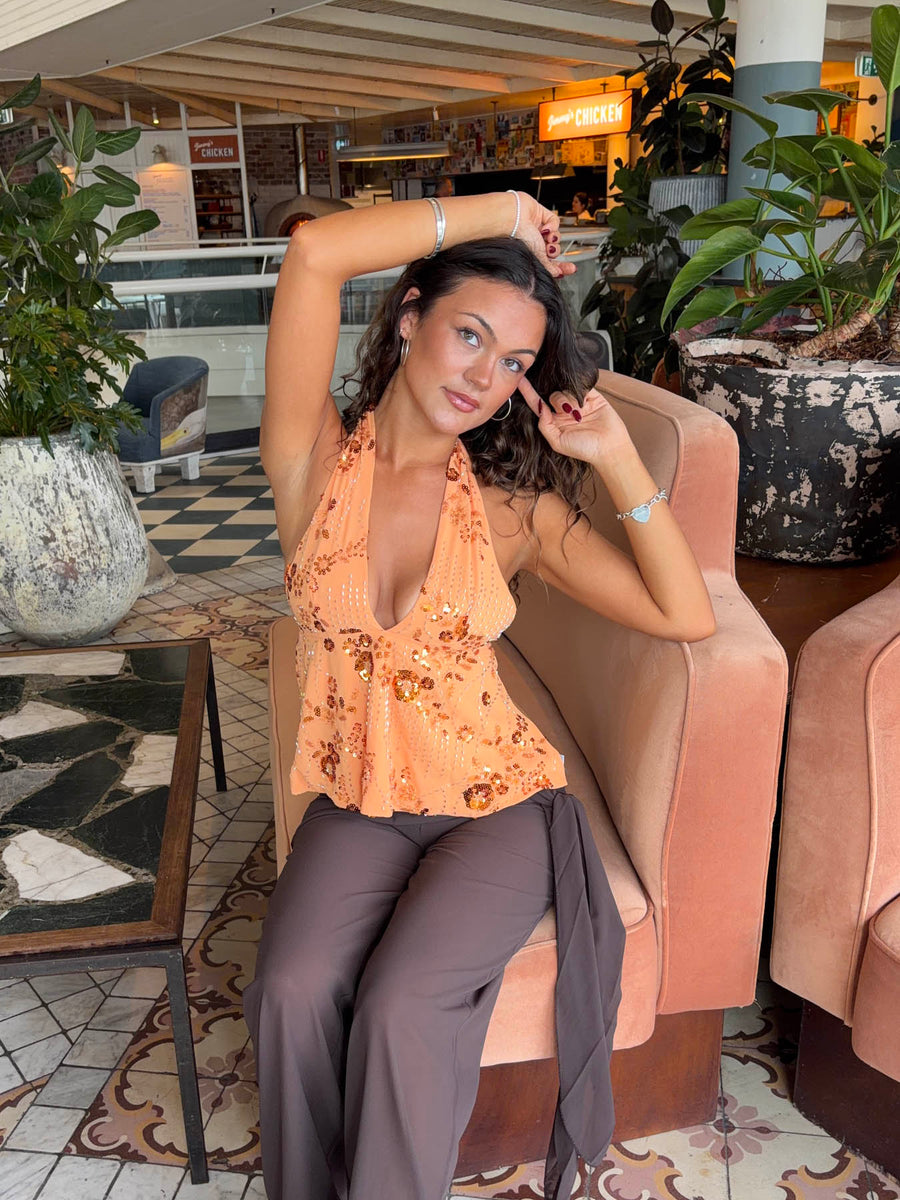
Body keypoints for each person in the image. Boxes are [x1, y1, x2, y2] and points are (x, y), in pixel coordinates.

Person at [243, 190, 716, 1200]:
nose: (483, 378)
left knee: (403, 1007)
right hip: (364, 799)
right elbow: (316, 252)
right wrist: (501, 210)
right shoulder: (311, 459)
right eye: (469, 335)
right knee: (287, 989)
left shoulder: (512, 512)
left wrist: (613, 454)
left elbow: (685, 615)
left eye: (512, 363)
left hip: (501, 808)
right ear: (409, 317)